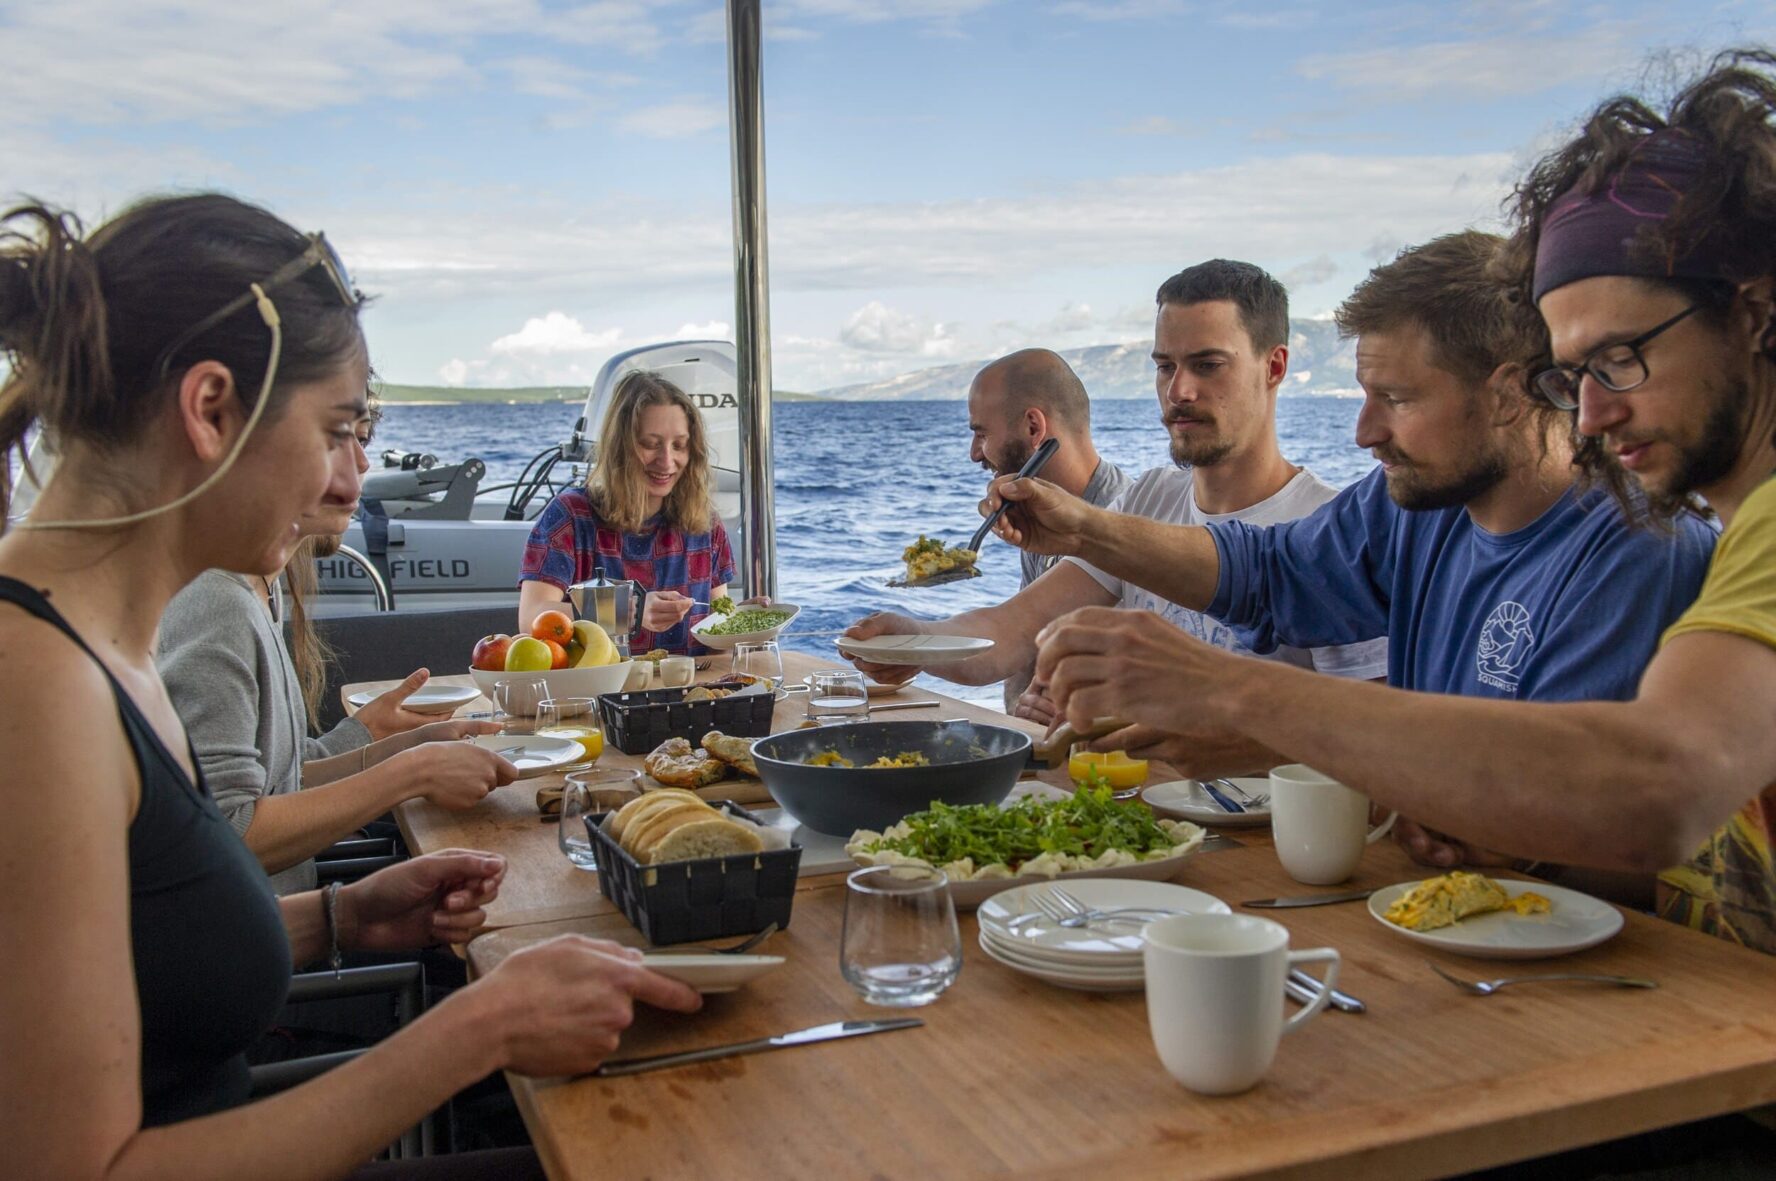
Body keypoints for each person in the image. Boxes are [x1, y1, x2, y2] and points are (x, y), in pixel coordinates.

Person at [0, 194, 702, 1180]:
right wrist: (480, 1025)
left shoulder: (104, 653)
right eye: (337, 429)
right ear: (211, 410)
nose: (349, 476)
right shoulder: (33, 690)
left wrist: (349, 916)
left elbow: (144, 948)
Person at [1026, 49, 1776, 954]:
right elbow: (1269, 570)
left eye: (1619, 359)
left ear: (1752, 313)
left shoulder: (1656, 542)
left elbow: (1644, 795)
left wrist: (1229, 692)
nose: (1588, 413)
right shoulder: (1423, 508)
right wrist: (1084, 528)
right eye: (1573, 372)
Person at [848, 261, 1386, 775]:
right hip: (1134, 805)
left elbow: (1370, 745)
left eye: (1207, 365)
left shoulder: (1329, 530)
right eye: (1165, 366)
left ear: (1274, 367)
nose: (1179, 391)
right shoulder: (1149, 499)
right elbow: (1010, 632)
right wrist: (915, 639)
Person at [158, 410, 519, 894]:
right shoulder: (216, 603)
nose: (363, 463)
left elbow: (279, 781)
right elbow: (228, 835)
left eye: (362, 438)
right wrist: (411, 774)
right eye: (336, 439)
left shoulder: (258, 589)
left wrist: (390, 744)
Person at [517, 370, 737, 654]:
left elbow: (719, 631)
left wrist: (747, 623)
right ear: (620, 447)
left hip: (694, 681)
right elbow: (531, 619)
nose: (667, 461)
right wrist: (627, 610)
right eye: (650, 444)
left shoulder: (705, 523)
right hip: (598, 681)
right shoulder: (569, 517)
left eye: (679, 446)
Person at [965, 348, 1130, 707]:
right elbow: (1024, 640)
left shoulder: (1125, 519)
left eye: (981, 434)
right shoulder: (1036, 515)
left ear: (1033, 428)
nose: (975, 454)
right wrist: (1020, 710)